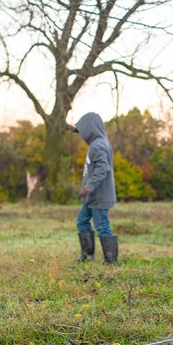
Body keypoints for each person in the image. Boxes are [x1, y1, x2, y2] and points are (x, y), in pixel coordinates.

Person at [73, 112, 118, 264]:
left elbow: (102, 168)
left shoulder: (98, 145)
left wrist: (88, 187)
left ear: (89, 129)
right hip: (92, 197)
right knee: (82, 221)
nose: (81, 135)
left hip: (98, 196)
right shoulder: (100, 142)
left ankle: (111, 260)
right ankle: (87, 255)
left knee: (102, 226)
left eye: (82, 131)